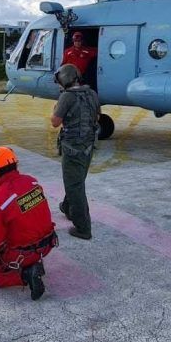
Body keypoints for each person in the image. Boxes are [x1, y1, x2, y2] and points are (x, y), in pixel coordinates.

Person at [0, 147, 57, 300]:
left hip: (22, 254)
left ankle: (25, 276)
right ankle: (31, 266)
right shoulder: (31, 181)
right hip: (47, 244)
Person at [51, 63, 100, 240]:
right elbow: (97, 117)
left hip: (72, 148)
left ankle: (83, 227)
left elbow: (55, 122)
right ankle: (67, 207)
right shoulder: (92, 93)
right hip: (88, 146)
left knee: (74, 186)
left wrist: (57, 108)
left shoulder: (66, 97)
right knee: (76, 180)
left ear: (64, 80)